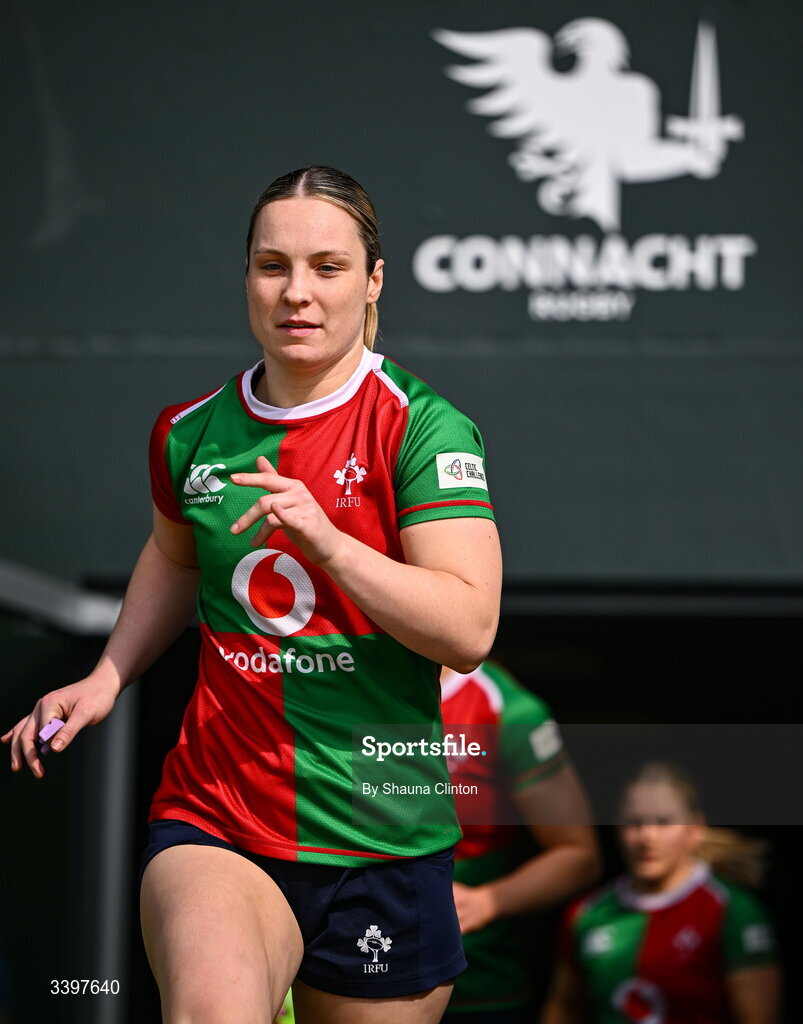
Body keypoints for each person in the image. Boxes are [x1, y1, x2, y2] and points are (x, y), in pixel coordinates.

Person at [2, 166, 503, 1024]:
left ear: (375, 280)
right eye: (272, 266)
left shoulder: (421, 425)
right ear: (246, 278)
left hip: (384, 838)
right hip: (220, 815)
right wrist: (108, 675)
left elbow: (466, 628)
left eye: (327, 267)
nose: (296, 293)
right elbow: (173, 560)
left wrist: (330, 546)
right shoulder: (188, 432)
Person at [540, 761, 781, 1024]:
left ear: (695, 829)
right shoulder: (587, 914)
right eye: (634, 823)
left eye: (663, 822)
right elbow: (563, 1008)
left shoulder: (732, 910)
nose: (647, 836)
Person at [439, 660, 600, 1023]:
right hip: (353, 968)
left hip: (477, 981)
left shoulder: (506, 709)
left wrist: (485, 902)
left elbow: (579, 855)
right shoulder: (345, 681)